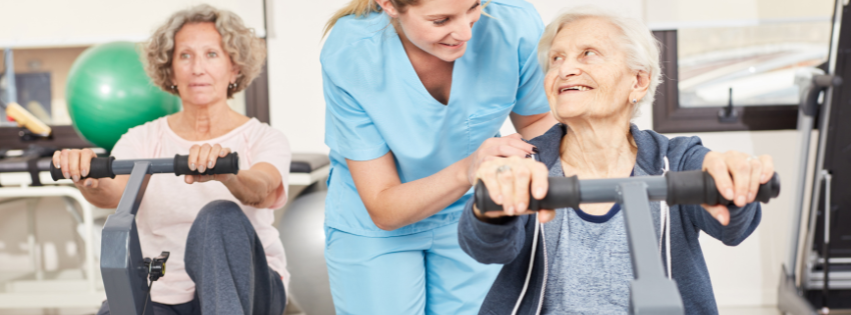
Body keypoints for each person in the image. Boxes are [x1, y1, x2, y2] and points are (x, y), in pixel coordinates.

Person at [458, 7, 774, 315]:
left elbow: (734, 228)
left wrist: (733, 182)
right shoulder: (526, 163)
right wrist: (493, 206)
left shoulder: (677, 160)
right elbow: (486, 247)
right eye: (556, 58)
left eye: (588, 54)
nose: (564, 69)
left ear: (638, 81)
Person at [320, 0, 559, 313]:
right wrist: (468, 169)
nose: (465, 32)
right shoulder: (352, 51)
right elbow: (384, 208)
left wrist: (531, 175)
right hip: (376, 222)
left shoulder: (513, 24)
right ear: (389, 5)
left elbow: (536, 122)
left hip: (473, 214)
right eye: (441, 19)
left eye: (474, 6)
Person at [54, 5, 290, 315]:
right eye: (185, 56)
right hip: (164, 292)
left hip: (251, 290)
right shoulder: (141, 138)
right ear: (170, 69)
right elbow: (114, 193)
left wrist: (227, 175)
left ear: (234, 67)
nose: (197, 68)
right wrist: (87, 177)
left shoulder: (263, 138)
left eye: (212, 54)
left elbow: (262, 189)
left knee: (219, 216)